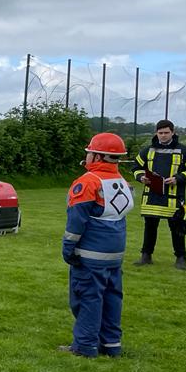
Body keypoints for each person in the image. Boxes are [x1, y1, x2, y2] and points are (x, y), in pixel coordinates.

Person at [60, 133, 134, 358]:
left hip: (90, 254)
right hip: (115, 253)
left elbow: (76, 221)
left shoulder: (88, 182)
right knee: (112, 298)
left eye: (89, 152)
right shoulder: (122, 182)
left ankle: (85, 346)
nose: (87, 156)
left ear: (98, 156)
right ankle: (111, 345)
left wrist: (67, 248)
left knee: (87, 298)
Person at [132, 119, 186, 270]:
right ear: (156, 133)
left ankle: (181, 258)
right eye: (160, 133)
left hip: (174, 197)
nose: (163, 136)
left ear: (173, 132)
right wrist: (140, 177)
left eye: (166, 133)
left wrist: (178, 178)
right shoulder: (147, 150)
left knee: (177, 227)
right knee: (150, 227)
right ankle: (146, 256)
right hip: (151, 196)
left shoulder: (184, 151)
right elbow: (136, 167)